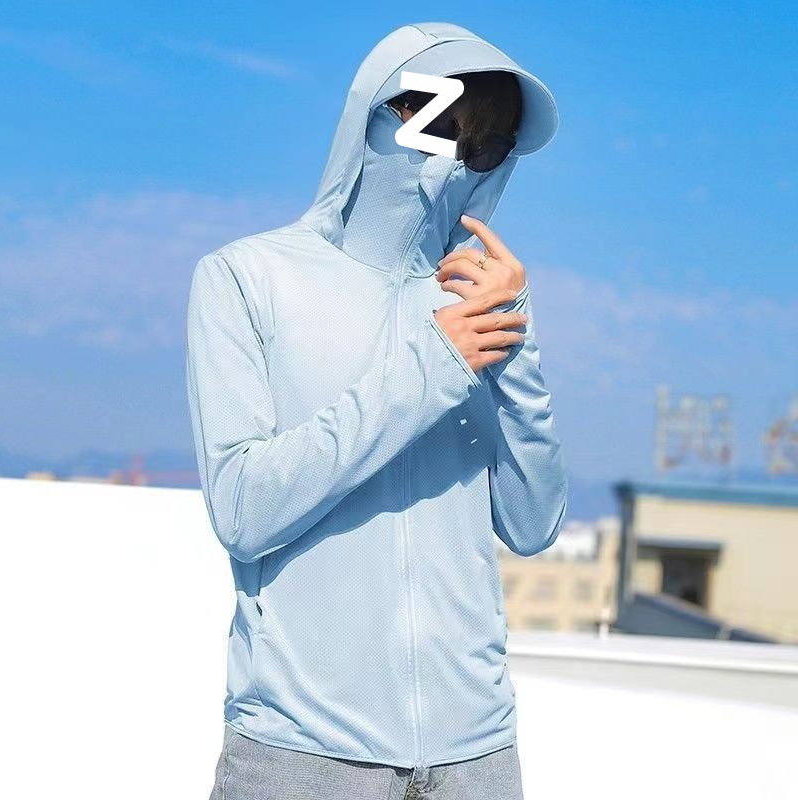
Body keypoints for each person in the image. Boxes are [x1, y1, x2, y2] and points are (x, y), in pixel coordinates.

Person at [187, 21, 568, 800]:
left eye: (488, 142)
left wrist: (515, 341)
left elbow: (534, 524)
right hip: (302, 754)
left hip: (478, 757)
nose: (459, 154)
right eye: (441, 121)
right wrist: (431, 368)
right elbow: (243, 508)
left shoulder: (475, 307)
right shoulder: (246, 277)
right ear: (375, 113)